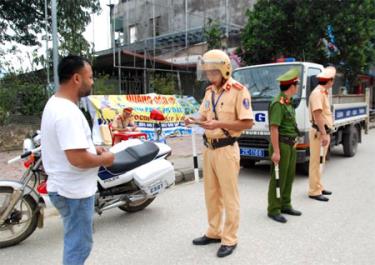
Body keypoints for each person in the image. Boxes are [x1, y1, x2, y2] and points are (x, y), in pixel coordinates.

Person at [41, 55, 115, 265]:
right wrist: (106, 159)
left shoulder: (55, 103)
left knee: (75, 239)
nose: (92, 82)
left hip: (64, 187)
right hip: (74, 192)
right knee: (79, 245)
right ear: (76, 78)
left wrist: (93, 148)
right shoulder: (67, 113)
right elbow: (77, 158)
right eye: (89, 77)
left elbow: (71, 146)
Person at [185, 49, 253, 258]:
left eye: (213, 72)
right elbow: (205, 116)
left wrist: (220, 123)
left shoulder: (239, 91)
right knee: (211, 195)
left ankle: (230, 238)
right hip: (209, 149)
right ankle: (214, 231)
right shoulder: (209, 92)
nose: (209, 76)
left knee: (229, 196)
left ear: (224, 70)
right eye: (206, 72)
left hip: (226, 149)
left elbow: (247, 122)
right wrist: (193, 118)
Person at [267, 67, 302, 223]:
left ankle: (285, 204)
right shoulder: (277, 103)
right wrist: (276, 151)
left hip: (291, 145)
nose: (298, 88)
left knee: (288, 177)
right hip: (280, 145)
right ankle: (273, 209)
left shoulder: (288, 102)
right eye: (297, 85)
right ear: (292, 86)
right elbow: (274, 128)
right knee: (278, 178)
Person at [308, 66, 336, 202]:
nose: (333, 82)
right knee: (315, 162)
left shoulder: (323, 92)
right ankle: (314, 191)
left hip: (323, 132)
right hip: (319, 133)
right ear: (329, 81)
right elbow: (318, 115)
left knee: (321, 161)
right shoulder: (317, 93)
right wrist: (324, 134)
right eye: (333, 80)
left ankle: (319, 186)